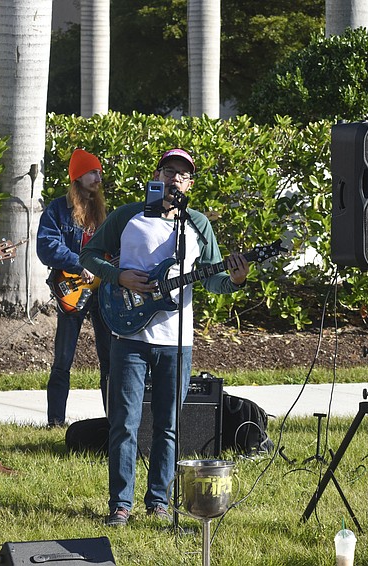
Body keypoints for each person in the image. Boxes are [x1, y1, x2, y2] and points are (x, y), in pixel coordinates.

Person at [80, 148, 249, 526]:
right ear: (158, 174)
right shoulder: (128, 215)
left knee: (168, 424)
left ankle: (158, 501)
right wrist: (118, 275)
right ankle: (120, 505)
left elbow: (214, 280)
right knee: (124, 422)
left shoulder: (197, 225)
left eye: (183, 174)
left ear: (191, 184)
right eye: (169, 171)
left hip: (177, 340)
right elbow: (89, 255)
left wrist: (235, 280)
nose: (175, 178)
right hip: (129, 335)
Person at [37, 148, 111, 427]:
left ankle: (113, 420)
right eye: (92, 172)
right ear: (77, 176)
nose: (98, 177)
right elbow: (46, 247)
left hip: (101, 292)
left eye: (99, 172)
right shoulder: (57, 209)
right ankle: (55, 421)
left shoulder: (103, 211)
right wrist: (80, 264)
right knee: (63, 359)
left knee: (109, 359)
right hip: (72, 289)